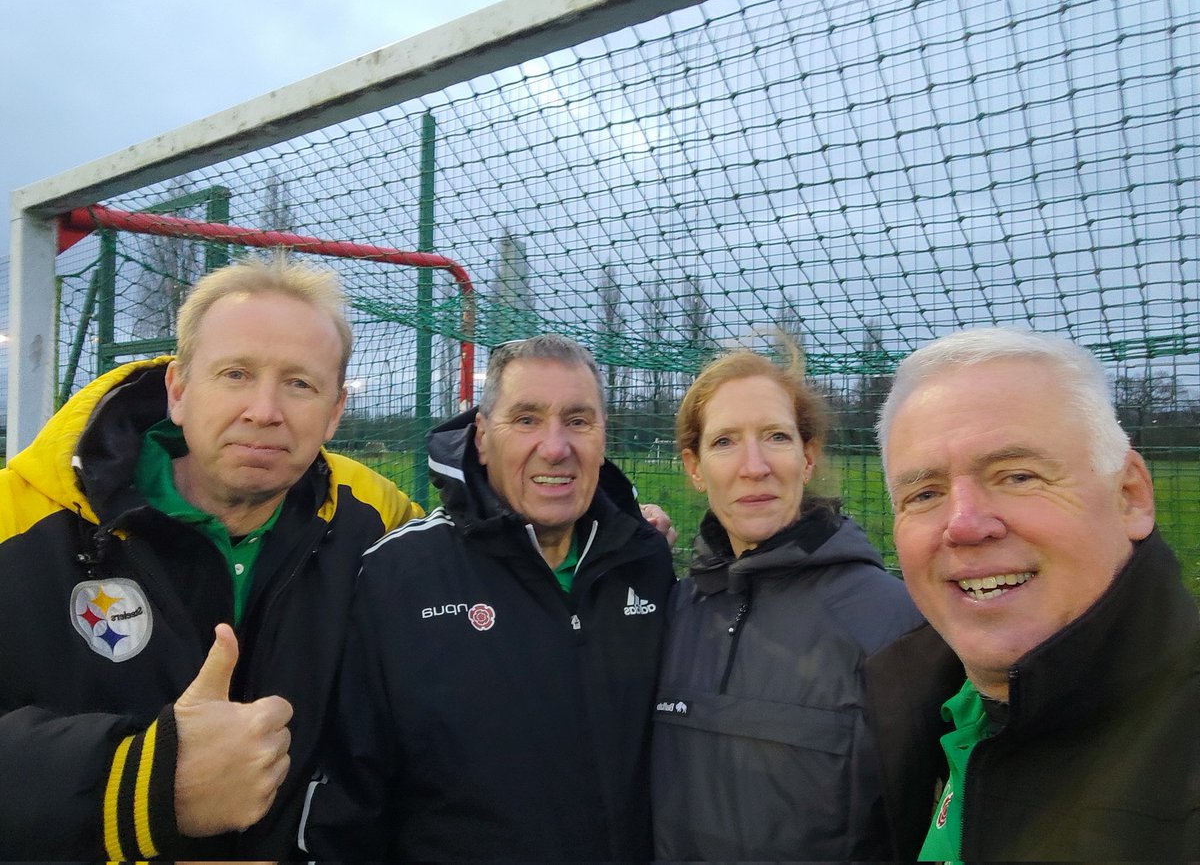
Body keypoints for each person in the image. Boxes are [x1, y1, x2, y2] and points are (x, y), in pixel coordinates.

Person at [0, 253, 422, 860]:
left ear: (334, 413)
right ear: (178, 388)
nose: (264, 410)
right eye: (236, 374)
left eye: (299, 384)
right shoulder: (23, 524)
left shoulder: (374, 522)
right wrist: (144, 784)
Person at [301, 334, 677, 860]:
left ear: (602, 436)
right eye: (526, 419)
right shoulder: (396, 577)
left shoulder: (646, 563)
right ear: (481, 437)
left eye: (578, 420)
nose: (555, 446)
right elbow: (347, 804)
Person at [872, 326, 1200, 861]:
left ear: (1130, 496)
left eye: (1018, 476)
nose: (965, 524)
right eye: (925, 493)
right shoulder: (922, 704)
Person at [651, 345, 927, 861]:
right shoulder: (669, 614)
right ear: (694, 466)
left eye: (776, 436)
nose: (754, 467)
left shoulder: (897, 624)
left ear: (807, 456)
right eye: (726, 441)